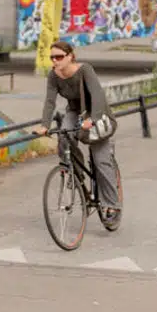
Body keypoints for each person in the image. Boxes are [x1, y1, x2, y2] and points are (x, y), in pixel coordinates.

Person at [32, 40, 121, 217]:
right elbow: (50, 101)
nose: (55, 61)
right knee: (64, 136)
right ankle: (75, 173)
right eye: (52, 58)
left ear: (70, 56)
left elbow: (97, 94)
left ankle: (112, 205)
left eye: (59, 57)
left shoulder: (84, 70)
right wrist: (45, 126)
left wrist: (93, 119)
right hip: (75, 111)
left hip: (96, 112)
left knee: (100, 160)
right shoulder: (54, 76)